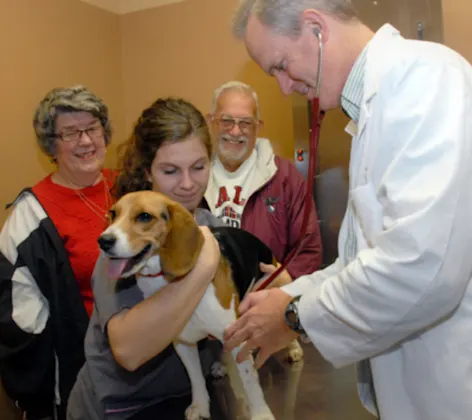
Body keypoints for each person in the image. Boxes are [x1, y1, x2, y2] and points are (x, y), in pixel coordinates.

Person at [223, 1, 472, 420]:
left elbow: (421, 264)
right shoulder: (371, 111)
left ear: (316, 28)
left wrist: (294, 316)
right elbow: (365, 261)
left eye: (281, 66)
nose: (284, 87)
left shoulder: (426, 80)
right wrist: (288, 296)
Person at [66, 97, 227, 420]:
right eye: (170, 170)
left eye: (198, 167)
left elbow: (269, 275)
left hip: (188, 399)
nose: (187, 184)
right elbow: (129, 351)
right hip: (122, 408)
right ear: (146, 171)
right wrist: (204, 265)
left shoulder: (211, 228)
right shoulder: (124, 248)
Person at [0, 85, 116, 420]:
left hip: (149, 359)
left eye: (92, 128)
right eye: (70, 133)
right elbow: (20, 321)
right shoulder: (30, 216)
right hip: (83, 377)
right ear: (52, 144)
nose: (85, 141)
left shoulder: (130, 185)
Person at [203, 80, 322, 282]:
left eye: (245, 123)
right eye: (226, 121)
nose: (235, 131)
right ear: (211, 121)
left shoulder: (285, 178)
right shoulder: (192, 175)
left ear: (258, 127)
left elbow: (308, 249)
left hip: (263, 299)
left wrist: (286, 277)